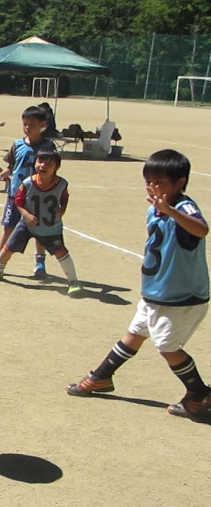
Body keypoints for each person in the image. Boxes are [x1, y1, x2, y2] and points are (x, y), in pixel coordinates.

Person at [67, 149, 211, 418]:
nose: (153, 187)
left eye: (160, 182)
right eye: (149, 182)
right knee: (134, 334)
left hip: (180, 297)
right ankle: (101, 377)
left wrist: (170, 211)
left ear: (180, 183)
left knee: (168, 347)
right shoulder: (154, 209)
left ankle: (199, 393)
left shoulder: (183, 208)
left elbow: (201, 229)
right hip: (156, 292)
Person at [0, 146, 82, 294]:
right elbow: (18, 201)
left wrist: (62, 210)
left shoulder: (62, 184)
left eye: (48, 164)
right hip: (27, 225)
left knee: (61, 252)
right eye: (40, 162)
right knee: (8, 248)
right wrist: (26, 215)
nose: (43, 166)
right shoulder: (28, 183)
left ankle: (73, 281)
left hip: (50, 227)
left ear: (57, 167)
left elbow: (64, 198)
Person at [0, 105, 55, 278]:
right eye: (25, 124)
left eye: (32, 125)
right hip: (16, 195)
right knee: (8, 228)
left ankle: (40, 264)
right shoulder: (17, 144)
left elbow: (51, 169)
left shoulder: (48, 146)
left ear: (43, 125)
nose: (28, 128)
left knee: (39, 231)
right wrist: (1, 174)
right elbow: (11, 167)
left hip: (37, 197)